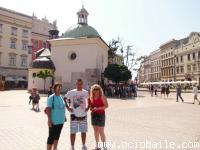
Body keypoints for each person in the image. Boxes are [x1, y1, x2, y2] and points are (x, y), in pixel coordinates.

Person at [64, 79, 89, 150]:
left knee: (83, 131)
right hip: (73, 115)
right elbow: (64, 98)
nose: (79, 85)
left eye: (81, 84)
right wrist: (68, 107)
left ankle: (83, 145)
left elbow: (90, 99)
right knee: (73, 132)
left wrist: (88, 107)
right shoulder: (71, 92)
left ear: (82, 84)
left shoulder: (85, 92)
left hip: (83, 115)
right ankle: (72, 146)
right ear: (76, 84)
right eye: (78, 84)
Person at [88, 84, 108, 150]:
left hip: (101, 115)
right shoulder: (91, 97)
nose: (96, 91)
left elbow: (106, 106)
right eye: (94, 89)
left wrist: (98, 108)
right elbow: (90, 106)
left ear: (100, 90)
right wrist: (91, 108)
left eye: (97, 89)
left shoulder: (102, 96)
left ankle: (104, 146)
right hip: (94, 115)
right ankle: (97, 146)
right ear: (92, 90)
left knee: (101, 131)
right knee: (95, 131)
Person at [46, 83, 66, 150]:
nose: (59, 89)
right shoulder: (51, 97)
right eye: (58, 88)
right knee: (51, 137)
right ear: (55, 89)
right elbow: (48, 109)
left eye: (60, 88)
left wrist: (64, 116)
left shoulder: (61, 97)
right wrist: (49, 120)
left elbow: (62, 107)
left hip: (61, 121)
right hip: (53, 121)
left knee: (57, 137)